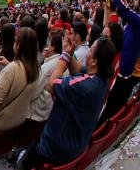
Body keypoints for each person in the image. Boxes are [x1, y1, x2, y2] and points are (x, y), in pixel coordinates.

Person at [21, 36, 116, 170]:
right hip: (74, 146)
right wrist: (70, 53)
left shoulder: (84, 86)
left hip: (54, 148)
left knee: (25, 164)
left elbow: (51, 85)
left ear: (94, 61)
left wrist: (64, 56)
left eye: (91, 49)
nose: (88, 51)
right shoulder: (101, 79)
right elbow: (78, 71)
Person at [0, 27, 41, 134]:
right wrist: (8, 65)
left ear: (18, 46)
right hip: (15, 124)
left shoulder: (12, 69)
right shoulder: (36, 68)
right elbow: (22, 76)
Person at [28, 28, 64, 121]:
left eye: (50, 43)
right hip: (49, 109)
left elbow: (35, 90)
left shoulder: (49, 66)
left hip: (38, 111)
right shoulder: (61, 62)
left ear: (53, 47)